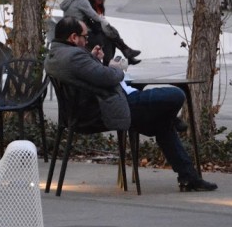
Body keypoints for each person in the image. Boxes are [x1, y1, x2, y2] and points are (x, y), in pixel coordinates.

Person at [45, 16, 216, 192]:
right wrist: (114, 67)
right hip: (109, 110)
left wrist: (93, 59)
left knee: (162, 123)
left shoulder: (56, 55)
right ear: (73, 37)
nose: (87, 40)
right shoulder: (74, 57)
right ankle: (175, 129)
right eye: (85, 37)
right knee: (176, 94)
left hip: (92, 110)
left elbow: (86, 76)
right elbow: (110, 77)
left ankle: (189, 177)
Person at [60, 0, 141, 65]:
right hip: (82, 34)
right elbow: (94, 16)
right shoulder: (82, 0)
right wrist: (103, 20)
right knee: (109, 39)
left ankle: (125, 54)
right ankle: (110, 64)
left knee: (109, 36)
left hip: (72, 31)